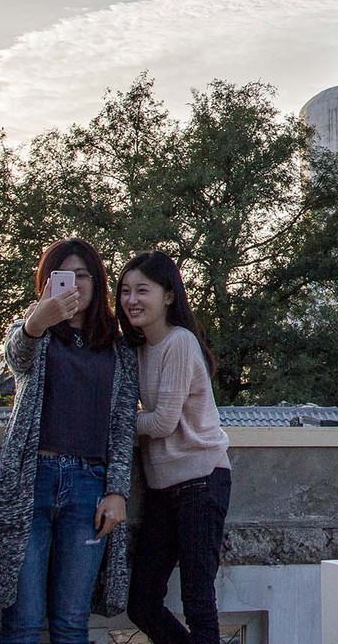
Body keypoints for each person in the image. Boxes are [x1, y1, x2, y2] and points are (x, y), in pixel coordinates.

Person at [0, 238, 139, 642]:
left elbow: (122, 424)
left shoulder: (118, 349)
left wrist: (118, 491)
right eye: (61, 276)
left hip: (89, 488)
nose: (74, 285)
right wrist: (38, 320)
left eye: (82, 275)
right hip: (30, 486)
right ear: (46, 284)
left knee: (71, 622)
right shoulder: (35, 333)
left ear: (97, 281)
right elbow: (17, 357)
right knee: (24, 622)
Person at [119, 251, 232, 644]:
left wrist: (119, 424)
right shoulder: (136, 350)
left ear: (168, 296)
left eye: (142, 291)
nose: (131, 299)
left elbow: (164, 421)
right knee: (142, 603)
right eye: (125, 291)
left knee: (198, 601)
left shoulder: (179, 343)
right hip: (162, 489)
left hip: (202, 481)